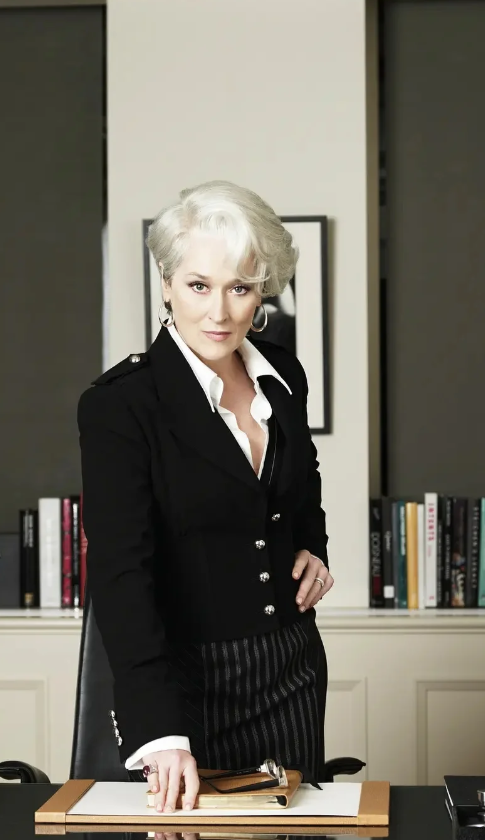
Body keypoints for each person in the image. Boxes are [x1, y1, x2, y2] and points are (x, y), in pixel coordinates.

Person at [77, 180, 333, 815]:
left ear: (262, 291)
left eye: (240, 288)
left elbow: (302, 483)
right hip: (185, 683)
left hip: (292, 668)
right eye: (198, 285)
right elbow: (120, 573)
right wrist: (159, 730)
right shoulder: (120, 405)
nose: (219, 311)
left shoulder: (284, 375)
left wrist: (313, 547)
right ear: (166, 283)